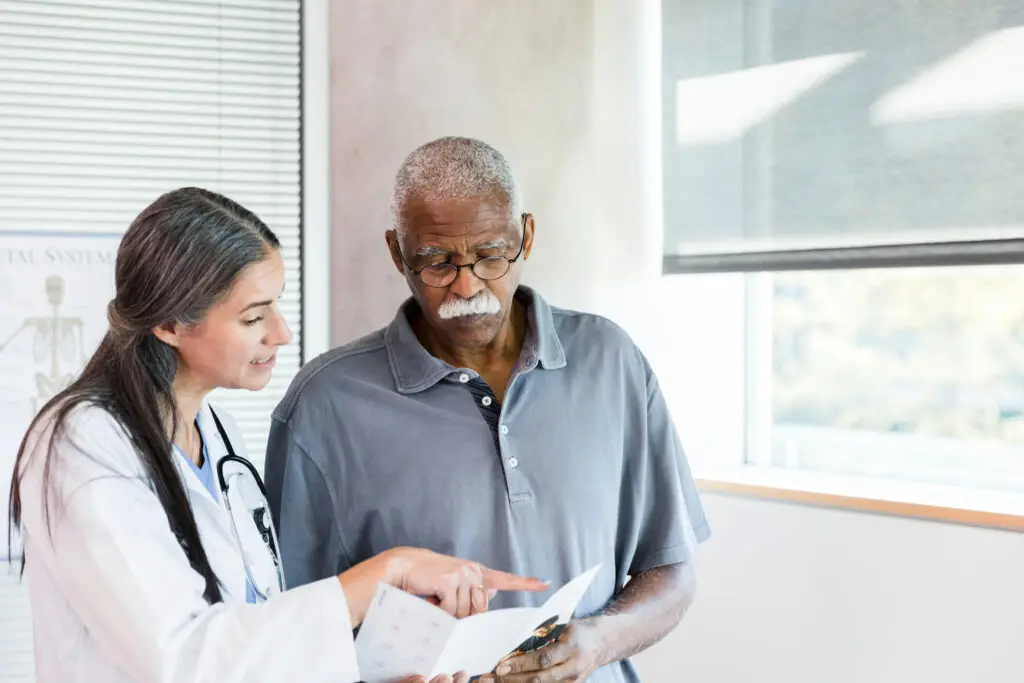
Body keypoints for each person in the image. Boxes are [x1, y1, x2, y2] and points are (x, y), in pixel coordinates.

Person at [6, 187, 547, 683]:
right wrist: (385, 572)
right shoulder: (82, 444)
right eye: (252, 317)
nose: (281, 333)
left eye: (277, 305)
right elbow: (182, 659)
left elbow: (258, 632)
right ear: (170, 325)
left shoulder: (219, 435)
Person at [265, 137, 711, 683]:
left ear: (525, 235)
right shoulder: (324, 405)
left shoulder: (611, 361)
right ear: (396, 252)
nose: (467, 285)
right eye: (437, 262)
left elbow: (670, 567)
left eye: (490, 255)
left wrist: (597, 642)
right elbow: (288, 625)